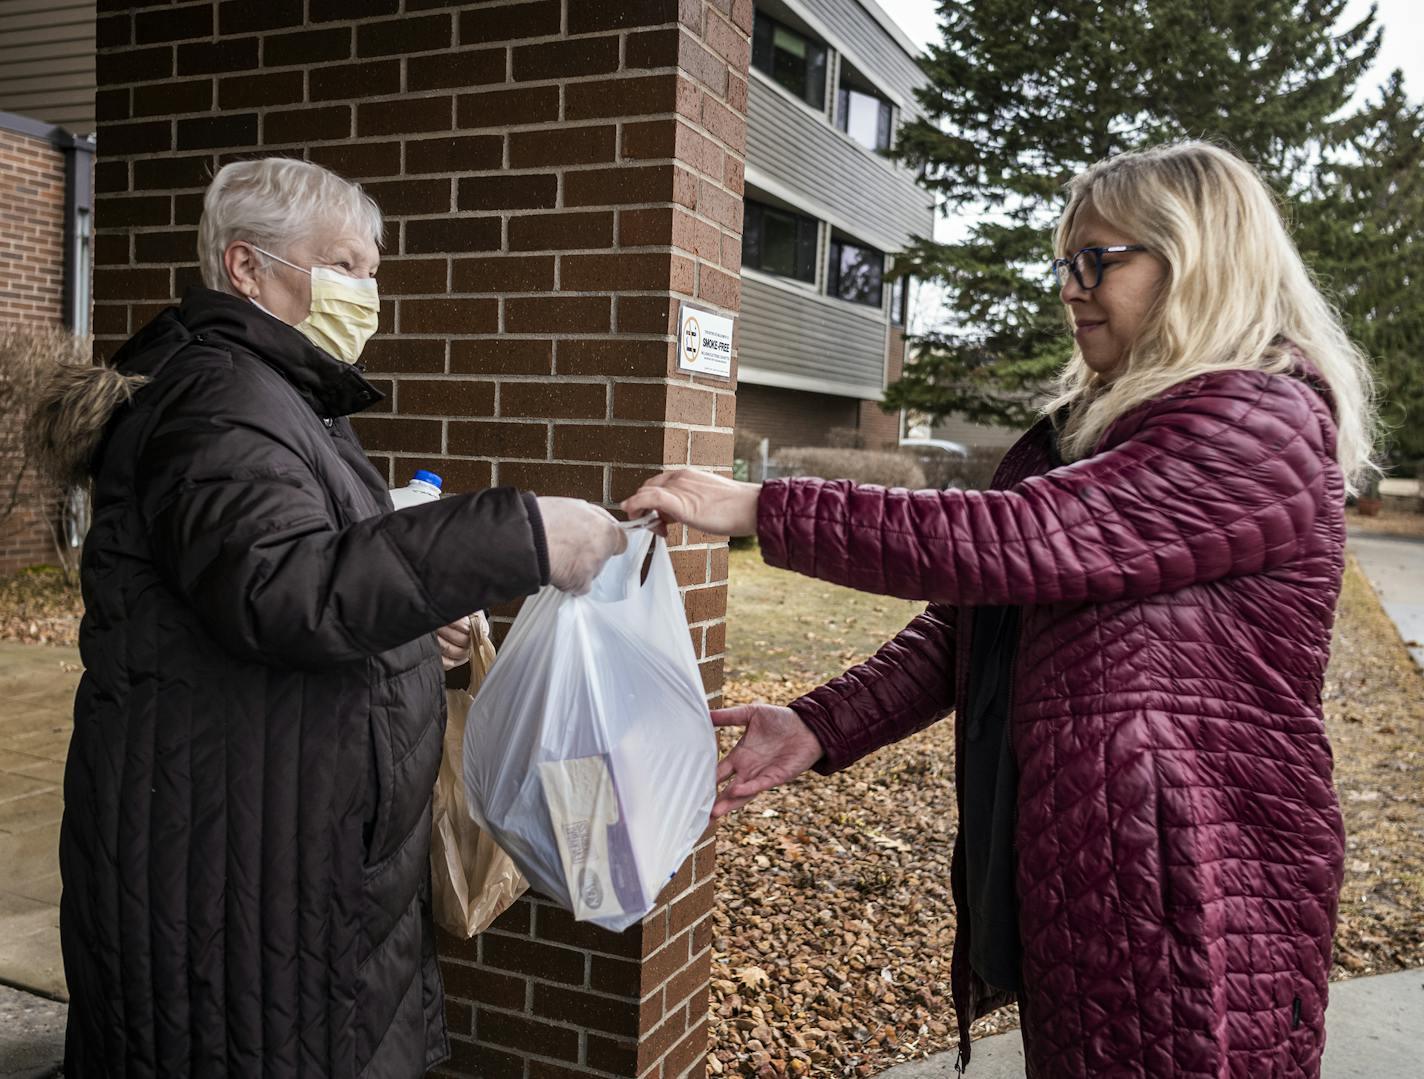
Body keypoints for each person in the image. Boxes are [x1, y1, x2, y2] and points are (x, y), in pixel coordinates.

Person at [624, 141, 1375, 1077]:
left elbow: (1017, 537)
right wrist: (820, 724)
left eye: (1098, 259)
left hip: (1195, 890)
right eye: (1065, 262)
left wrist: (759, 505)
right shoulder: (1116, 427)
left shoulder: (1257, 424)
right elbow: (982, 618)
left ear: (1198, 261)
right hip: (1111, 876)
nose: (1071, 287)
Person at [28, 157, 626, 1078]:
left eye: (374, 269)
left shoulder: (280, 394)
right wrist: (521, 532)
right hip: (236, 887)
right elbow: (280, 589)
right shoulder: (219, 399)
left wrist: (414, 622)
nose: (368, 289)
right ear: (246, 269)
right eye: (345, 264)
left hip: (285, 863)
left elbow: (290, 580)